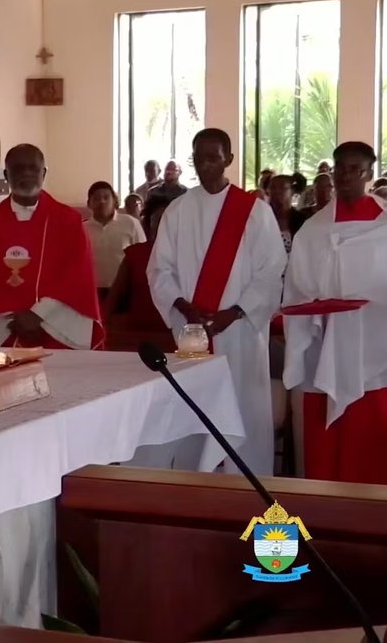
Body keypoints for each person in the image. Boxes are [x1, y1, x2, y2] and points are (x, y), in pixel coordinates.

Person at [147, 128, 287, 476]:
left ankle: (250, 498)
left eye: (213, 157)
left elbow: (271, 271)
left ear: (229, 159)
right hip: (193, 333)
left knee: (245, 414)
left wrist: (236, 313)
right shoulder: (178, 211)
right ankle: (199, 495)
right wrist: (181, 304)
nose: (206, 165)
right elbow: (160, 268)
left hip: (240, 333)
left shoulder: (253, 212)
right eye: (199, 158)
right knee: (196, 414)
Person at [283, 141, 387, 484]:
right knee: (326, 443)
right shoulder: (314, 229)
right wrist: (317, 306)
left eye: (354, 170)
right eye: (339, 169)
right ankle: (325, 513)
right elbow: (297, 285)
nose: (345, 177)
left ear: (369, 174)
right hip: (324, 342)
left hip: (377, 352)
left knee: (371, 440)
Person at [0, 144, 104, 350]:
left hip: (57, 330)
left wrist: (39, 315)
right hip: (3, 329)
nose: (26, 173)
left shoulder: (69, 221)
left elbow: (77, 275)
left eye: (33, 168)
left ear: (43, 173)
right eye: (18, 168)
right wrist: (15, 317)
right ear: (6, 174)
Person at [103, 194, 173, 338]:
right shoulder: (135, 254)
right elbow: (114, 296)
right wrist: (102, 324)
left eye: (167, 220)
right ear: (149, 224)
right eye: (157, 220)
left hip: (176, 331)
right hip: (139, 331)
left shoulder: (186, 254)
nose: (162, 225)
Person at [83, 181, 146, 300]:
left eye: (106, 197)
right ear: (89, 204)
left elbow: (142, 259)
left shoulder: (131, 223)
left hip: (125, 291)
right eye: (96, 198)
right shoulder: (82, 229)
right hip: (92, 292)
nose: (102, 201)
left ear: (115, 201)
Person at [267, 174, 307, 254]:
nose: (277, 191)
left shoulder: (302, 220)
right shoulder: (263, 219)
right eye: (273, 188)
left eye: (282, 187)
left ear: (292, 191)